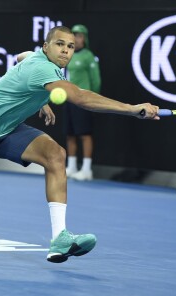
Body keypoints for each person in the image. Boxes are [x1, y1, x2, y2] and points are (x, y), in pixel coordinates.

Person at [0, 26, 159, 263]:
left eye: (70, 46)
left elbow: (22, 55)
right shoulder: (42, 69)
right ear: (46, 46)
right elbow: (81, 98)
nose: (65, 51)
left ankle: (60, 238)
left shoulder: (39, 60)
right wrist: (132, 109)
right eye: (59, 44)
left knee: (55, 155)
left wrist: (40, 99)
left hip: (7, 129)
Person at [65, 24, 101, 181]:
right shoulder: (67, 54)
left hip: (83, 101)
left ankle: (87, 170)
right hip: (68, 99)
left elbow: (96, 80)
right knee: (70, 134)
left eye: (79, 35)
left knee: (85, 134)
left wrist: (93, 99)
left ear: (85, 39)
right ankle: (71, 167)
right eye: (74, 35)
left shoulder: (88, 56)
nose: (76, 38)